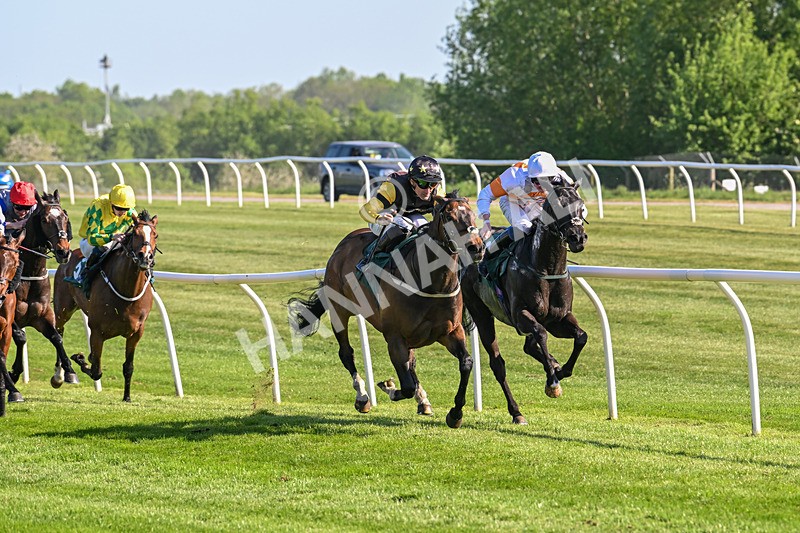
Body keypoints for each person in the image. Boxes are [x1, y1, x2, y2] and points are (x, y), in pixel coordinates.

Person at [476, 151, 575, 265]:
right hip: (512, 200)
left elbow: (576, 203)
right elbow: (485, 194)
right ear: (530, 176)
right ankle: (490, 252)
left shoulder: (562, 178)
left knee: (550, 228)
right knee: (525, 228)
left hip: (538, 203)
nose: (542, 186)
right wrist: (486, 222)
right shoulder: (513, 177)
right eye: (537, 182)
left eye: (547, 180)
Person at [356, 155, 443, 271]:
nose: (428, 190)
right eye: (423, 183)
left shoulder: (437, 191)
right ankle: (369, 259)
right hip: (384, 217)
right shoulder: (393, 186)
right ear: (412, 181)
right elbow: (365, 211)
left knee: (424, 228)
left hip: (409, 215)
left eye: (433, 184)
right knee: (403, 227)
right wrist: (379, 219)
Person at [64, 184, 137, 293]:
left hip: (113, 241)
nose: (122, 212)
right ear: (111, 203)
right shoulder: (98, 206)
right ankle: (84, 276)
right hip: (89, 243)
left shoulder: (129, 212)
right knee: (105, 246)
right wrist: (112, 237)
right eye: (119, 208)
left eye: (125, 209)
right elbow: (93, 238)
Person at [0, 181, 39, 293]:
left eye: (27, 208)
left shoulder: (35, 206)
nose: (23, 212)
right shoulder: (2, 202)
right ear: (12, 202)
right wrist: (13, 225)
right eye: (19, 207)